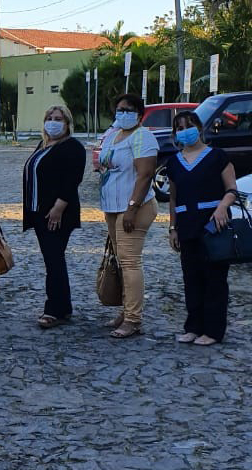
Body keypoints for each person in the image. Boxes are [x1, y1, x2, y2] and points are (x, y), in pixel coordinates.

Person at [166, 111, 238, 345]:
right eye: (179, 127)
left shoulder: (217, 156)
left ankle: (213, 330)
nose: (184, 131)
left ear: (198, 127)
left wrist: (221, 208)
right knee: (191, 277)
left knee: (214, 278)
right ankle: (193, 326)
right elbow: (174, 199)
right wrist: (173, 228)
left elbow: (232, 190)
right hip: (187, 224)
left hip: (213, 224)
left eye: (189, 125)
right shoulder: (174, 162)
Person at [97, 93, 159, 338]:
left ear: (139, 114)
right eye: (119, 109)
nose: (123, 113)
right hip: (112, 208)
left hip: (133, 208)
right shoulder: (114, 135)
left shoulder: (144, 137)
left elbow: (145, 175)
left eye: (128, 109)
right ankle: (126, 309)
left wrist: (132, 208)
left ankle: (133, 318)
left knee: (130, 262)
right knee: (121, 261)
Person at [22, 105, 86, 328]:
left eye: (58, 118)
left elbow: (72, 180)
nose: (53, 122)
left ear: (67, 123)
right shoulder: (44, 144)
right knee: (54, 259)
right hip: (40, 212)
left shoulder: (73, 147)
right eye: (49, 118)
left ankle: (53, 309)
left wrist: (58, 208)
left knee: (53, 260)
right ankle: (64, 306)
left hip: (57, 214)